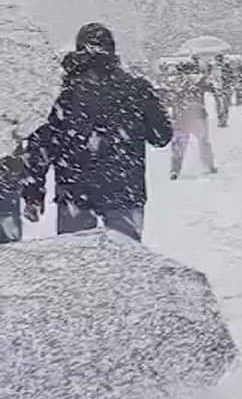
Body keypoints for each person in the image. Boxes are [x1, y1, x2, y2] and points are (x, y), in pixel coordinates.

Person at [20, 23, 173, 241]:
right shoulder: (136, 89)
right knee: (127, 261)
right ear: (112, 50)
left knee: (82, 265)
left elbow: (42, 144)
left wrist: (33, 194)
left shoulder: (61, 92)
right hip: (124, 189)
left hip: (74, 191)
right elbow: (161, 137)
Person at [165, 59, 218, 179]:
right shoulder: (198, 81)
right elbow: (212, 88)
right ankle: (209, 165)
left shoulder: (174, 83)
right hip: (198, 116)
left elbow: (168, 99)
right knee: (203, 142)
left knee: (179, 144)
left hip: (180, 117)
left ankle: (175, 169)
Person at [209, 54, 232, 128]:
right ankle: (221, 120)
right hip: (218, 88)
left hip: (224, 88)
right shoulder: (213, 68)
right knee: (220, 105)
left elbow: (230, 77)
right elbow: (212, 78)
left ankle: (224, 120)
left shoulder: (226, 67)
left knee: (224, 105)